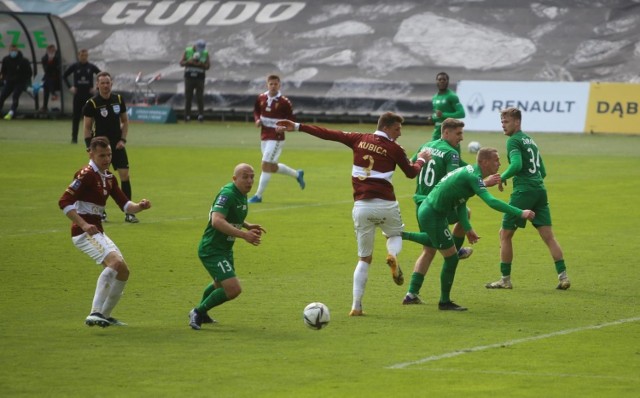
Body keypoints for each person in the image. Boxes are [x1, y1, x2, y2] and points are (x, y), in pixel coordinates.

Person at [276, 112, 432, 316]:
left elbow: (327, 133)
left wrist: (297, 126)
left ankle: (356, 307)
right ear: (386, 127)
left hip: (362, 207)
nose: (400, 134)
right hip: (386, 205)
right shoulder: (394, 148)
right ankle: (392, 255)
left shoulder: (358, 138)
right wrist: (421, 159)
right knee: (394, 235)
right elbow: (411, 173)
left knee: (364, 259)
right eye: (397, 129)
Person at [414, 147, 535, 311]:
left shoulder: (469, 172)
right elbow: (491, 201)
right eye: (496, 160)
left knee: (439, 248)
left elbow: (461, 201)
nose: (499, 163)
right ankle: (444, 302)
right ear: (484, 162)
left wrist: (467, 227)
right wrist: (520, 213)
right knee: (448, 256)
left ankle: (400, 236)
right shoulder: (474, 177)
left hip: (434, 212)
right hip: (432, 214)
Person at [58, 136, 152, 327]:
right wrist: (83, 224)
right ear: (90, 153)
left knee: (123, 271)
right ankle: (94, 313)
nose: (107, 159)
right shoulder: (85, 175)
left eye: (109, 155)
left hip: (97, 232)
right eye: (102, 155)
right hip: (83, 233)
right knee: (115, 263)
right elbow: (64, 202)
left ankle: (105, 316)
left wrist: (140, 206)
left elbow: (126, 206)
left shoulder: (109, 178)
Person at [401, 118, 488, 305]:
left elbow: (410, 164)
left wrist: (477, 171)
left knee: (429, 250)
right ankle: (453, 251)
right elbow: (454, 179)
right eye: (458, 134)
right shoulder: (451, 154)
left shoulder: (427, 145)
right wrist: (481, 182)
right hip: (436, 207)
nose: (461, 138)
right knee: (459, 222)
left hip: (420, 204)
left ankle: (411, 294)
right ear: (446, 133)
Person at [485, 107, 571, 290]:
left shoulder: (514, 141)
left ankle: (505, 280)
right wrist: (534, 183)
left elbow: (517, 164)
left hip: (523, 192)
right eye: (501, 122)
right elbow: (543, 171)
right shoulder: (530, 141)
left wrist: (503, 177)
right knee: (548, 236)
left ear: (517, 122)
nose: (503, 125)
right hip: (540, 190)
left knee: (505, 234)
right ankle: (563, 277)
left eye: (506, 122)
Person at [189, 163, 266, 330]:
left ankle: (203, 313)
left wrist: (247, 225)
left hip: (225, 249)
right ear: (234, 178)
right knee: (233, 289)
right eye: (245, 177)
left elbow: (231, 214)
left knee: (219, 285)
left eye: (252, 177)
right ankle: (197, 311)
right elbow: (217, 220)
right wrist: (244, 235)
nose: (249, 181)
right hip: (212, 250)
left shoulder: (241, 194)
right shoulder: (228, 194)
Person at [83, 71, 138, 223]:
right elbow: (87, 127)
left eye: (108, 83)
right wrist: (90, 147)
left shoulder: (118, 99)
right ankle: (100, 212)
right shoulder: (91, 103)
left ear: (111, 84)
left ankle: (129, 213)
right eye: (102, 83)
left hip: (117, 145)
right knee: (100, 180)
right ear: (97, 85)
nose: (105, 85)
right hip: (100, 148)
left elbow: (125, 121)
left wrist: (123, 140)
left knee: (125, 176)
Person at [248, 74, 305, 204]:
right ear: (267, 85)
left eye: (276, 84)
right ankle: (297, 175)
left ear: (279, 85)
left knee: (265, 164)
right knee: (271, 167)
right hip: (264, 136)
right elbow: (256, 111)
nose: (273, 86)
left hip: (277, 137)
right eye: (271, 84)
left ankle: (258, 196)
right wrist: (257, 120)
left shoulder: (284, 102)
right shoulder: (261, 98)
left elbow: (291, 119)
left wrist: (284, 127)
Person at [63, 49, 100, 143]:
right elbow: (64, 76)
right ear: (78, 56)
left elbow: (101, 75)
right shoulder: (75, 66)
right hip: (78, 95)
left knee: (90, 117)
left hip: (89, 96)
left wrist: (96, 87)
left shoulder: (91, 67)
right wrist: (70, 87)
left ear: (87, 56)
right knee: (76, 117)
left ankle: (91, 139)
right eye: (82, 55)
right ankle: (74, 138)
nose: (83, 57)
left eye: (85, 55)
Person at [427, 72, 465, 142]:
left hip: (450, 132)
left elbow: (461, 113)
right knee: (432, 151)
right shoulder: (434, 97)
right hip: (437, 132)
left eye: (444, 79)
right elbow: (438, 115)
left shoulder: (452, 96)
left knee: (452, 152)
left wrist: (443, 115)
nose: (442, 81)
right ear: (436, 81)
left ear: (448, 82)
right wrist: (432, 118)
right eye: (439, 79)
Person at [179, 39, 210, 122]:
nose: (200, 51)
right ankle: (187, 116)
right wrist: (189, 62)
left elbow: (207, 66)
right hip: (189, 77)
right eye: (198, 48)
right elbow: (181, 63)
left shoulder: (205, 53)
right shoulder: (188, 51)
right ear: (195, 46)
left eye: (201, 49)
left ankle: (201, 116)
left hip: (200, 78)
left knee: (200, 97)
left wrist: (201, 64)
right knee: (188, 97)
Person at [0, 44, 32, 120]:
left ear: (17, 51)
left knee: (15, 96)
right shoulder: (6, 59)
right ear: (9, 51)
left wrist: (25, 81)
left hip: (20, 82)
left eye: (14, 50)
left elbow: (29, 72)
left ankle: (11, 112)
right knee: (2, 96)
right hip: (9, 82)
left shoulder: (24, 61)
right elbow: (3, 71)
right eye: (11, 50)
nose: (13, 52)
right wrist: (3, 79)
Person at [40, 44, 61, 113]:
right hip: (49, 77)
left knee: (47, 83)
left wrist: (53, 61)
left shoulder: (58, 57)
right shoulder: (44, 58)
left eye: (53, 50)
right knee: (47, 83)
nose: (52, 51)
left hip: (57, 78)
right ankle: (53, 94)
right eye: (50, 50)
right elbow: (46, 69)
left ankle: (45, 105)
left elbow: (58, 68)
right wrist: (50, 61)